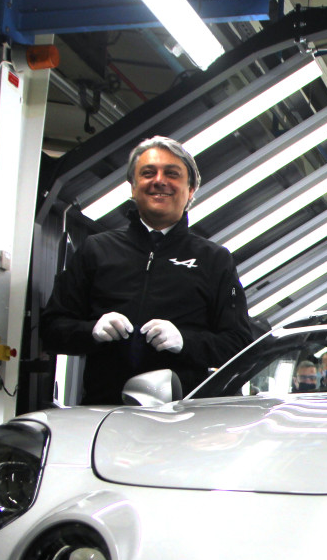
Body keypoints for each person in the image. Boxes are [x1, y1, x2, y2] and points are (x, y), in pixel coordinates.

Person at [41, 136, 258, 404]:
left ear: (190, 190)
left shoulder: (214, 260)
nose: (159, 180)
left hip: (183, 417)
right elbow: (50, 329)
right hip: (104, 413)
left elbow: (239, 344)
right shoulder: (96, 249)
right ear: (133, 187)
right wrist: (91, 332)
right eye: (147, 173)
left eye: (172, 174)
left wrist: (185, 342)